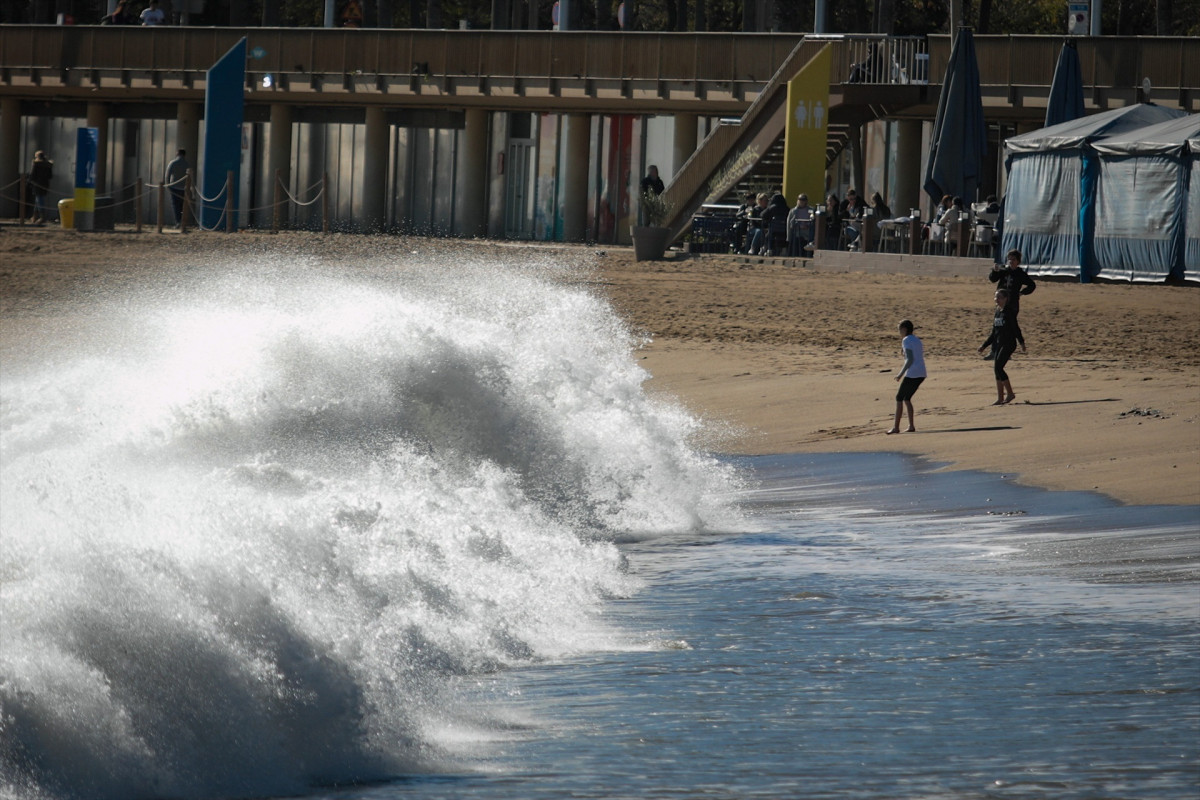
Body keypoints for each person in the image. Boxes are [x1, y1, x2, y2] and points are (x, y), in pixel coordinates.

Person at [978, 289, 1025, 405]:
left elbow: (1016, 328)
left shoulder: (1009, 312)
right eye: (995, 297)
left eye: (999, 297)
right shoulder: (998, 312)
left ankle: (1010, 394)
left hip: (1009, 344)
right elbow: (994, 332)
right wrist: (984, 345)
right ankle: (1000, 398)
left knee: (999, 368)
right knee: (996, 370)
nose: (996, 300)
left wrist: (1021, 342)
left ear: (1005, 299)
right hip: (999, 343)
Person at [988, 248, 1035, 353]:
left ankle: (1006, 350)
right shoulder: (1004, 271)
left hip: (1012, 304)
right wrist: (994, 271)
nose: (1010, 261)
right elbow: (992, 279)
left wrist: (1022, 292)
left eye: (1013, 259)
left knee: (1010, 327)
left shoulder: (1020, 273)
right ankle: (993, 351)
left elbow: (1032, 285)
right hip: (1000, 303)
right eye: (1009, 259)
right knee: (997, 325)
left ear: (1018, 261)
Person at [888, 319, 926, 434]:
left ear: (904, 329)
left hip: (913, 373)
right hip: (922, 373)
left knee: (899, 398)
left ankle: (896, 428)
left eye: (899, 330)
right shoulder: (916, 339)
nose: (899, 332)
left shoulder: (906, 340)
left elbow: (910, 359)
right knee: (907, 398)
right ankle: (911, 426)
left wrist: (900, 374)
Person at [164, 149, 190, 227]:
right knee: (182, 205)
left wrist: (167, 185)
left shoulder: (173, 163)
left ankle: (178, 221)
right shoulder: (187, 164)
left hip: (174, 187)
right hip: (183, 188)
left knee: (176, 205)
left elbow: (167, 175)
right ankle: (183, 222)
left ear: (177, 154)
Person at [29, 151, 53, 225]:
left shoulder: (36, 164)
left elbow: (32, 175)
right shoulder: (48, 165)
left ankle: (42, 217)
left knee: (39, 200)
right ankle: (35, 216)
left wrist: (29, 182)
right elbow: (50, 176)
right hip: (45, 184)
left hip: (37, 184)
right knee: (38, 200)